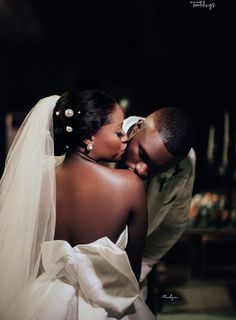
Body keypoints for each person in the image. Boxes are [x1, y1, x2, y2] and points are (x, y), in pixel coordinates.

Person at [0, 89, 156, 320]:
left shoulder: (37, 183)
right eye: (118, 131)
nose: (125, 137)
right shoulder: (129, 185)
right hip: (108, 301)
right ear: (88, 137)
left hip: (42, 301)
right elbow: (131, 270)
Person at [121, 107, 196, 299]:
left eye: (156, 168)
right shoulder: (99, 137)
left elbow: (172, 226)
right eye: (142, 155)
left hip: (132, 281)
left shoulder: (184, 166)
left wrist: (140, 267)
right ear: (138, 127)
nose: (142, 169)